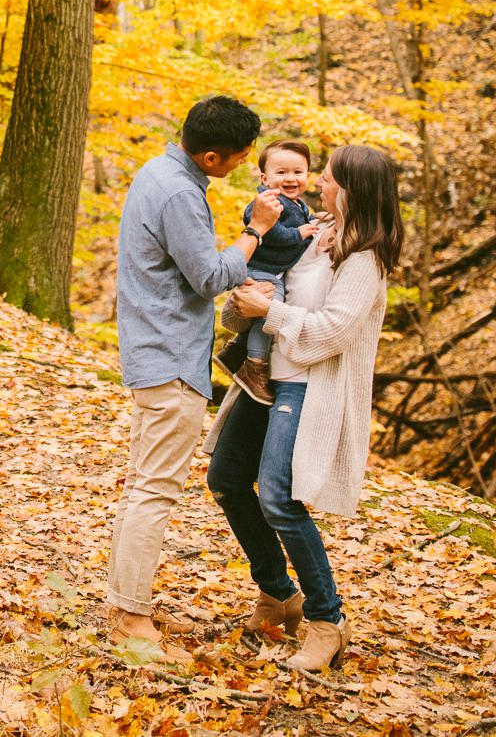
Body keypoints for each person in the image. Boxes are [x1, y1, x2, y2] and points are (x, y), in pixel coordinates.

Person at [203, 144, 404, 673]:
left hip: (306, 386)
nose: (320, 185)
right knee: (225, 478)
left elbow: (333, 331)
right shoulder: (316, 233)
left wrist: (269, 310)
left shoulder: (366, 259)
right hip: (263, 379)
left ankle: (326, 619)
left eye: (331, 180)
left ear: (354, 190)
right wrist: (246, 299)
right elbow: (267, 287)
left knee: (278, 498)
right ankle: (277, 594)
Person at [106, 96, 286, 661]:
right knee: (154, 490)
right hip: (168, 357)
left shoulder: (159, 170)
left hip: (154, 350)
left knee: (143, 485)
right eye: (237, 158)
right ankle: (130, 617)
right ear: (210, 155)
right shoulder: (181, 192)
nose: (242, 164)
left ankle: (125, 602)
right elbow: (209, 277)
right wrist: (256, 230)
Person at [219, 140, 326, 405]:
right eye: (281, 172)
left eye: (298, 172)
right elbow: (266, 228)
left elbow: (304, 221)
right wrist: (298, 233)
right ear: (265, 178)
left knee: (267, 313)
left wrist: (314, 221)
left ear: (308, 176)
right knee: (269, 310)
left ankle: (236, 350)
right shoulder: (267, 201)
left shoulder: (299, 205)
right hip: (261, 269)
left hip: (275, 271)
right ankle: (254, 366)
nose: (290, 178)